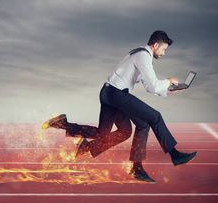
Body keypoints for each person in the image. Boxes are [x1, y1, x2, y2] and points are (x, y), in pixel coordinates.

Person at [42, 30, 197, 183]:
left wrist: (167, 91)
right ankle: (174, 156)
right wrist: (168, 81)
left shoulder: (139, 54)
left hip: (109, 93)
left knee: (119, 132)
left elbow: (151, 87)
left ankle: (66, 127)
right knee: (154, 117)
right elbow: (155, 85)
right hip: (116, 94)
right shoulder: (143, 56)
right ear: (156, 45)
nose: (163, 53)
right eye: (163, 49)